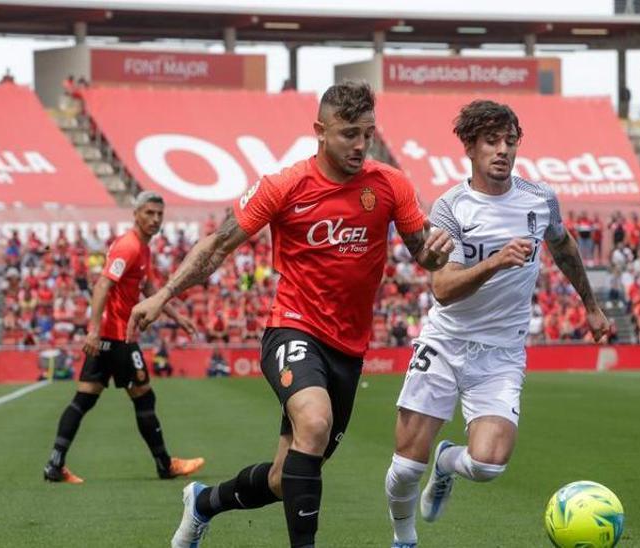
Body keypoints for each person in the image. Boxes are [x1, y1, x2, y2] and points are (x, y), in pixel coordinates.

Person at [131, 81, 454, 548]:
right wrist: (162, 296)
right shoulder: (284, 186)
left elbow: (425, 255)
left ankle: (202, 503)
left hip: (349, 348)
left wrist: (438, 254)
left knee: (287, 479)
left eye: (368, 133)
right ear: (320, 131)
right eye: (348, 134)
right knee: (316, 421)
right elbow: (218, 246)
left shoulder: (390, 185)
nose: (360, 145)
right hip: (293, 328)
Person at [383, 100, 611, 547]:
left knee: (487, 464)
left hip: (501, 353)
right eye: (491, 141)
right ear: (470, 147)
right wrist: (496, 261)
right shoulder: (450, 207)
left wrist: (591, 305)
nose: (503, 150)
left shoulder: (540, 199)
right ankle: (404, 537)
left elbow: (563, 248)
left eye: (510, 141)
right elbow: (443, 289)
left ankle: (448, 463)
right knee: (407, 466)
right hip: (446, 343)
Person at [42, 192, 204, 484]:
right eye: (150, 213)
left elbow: (152, 292)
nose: (155, 219)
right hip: (117, 336)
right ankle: (165, 465)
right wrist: (92, 330)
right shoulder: (128, 246)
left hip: (108, 336)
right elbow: (102, 285)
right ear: (136, 213)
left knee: (84, 399)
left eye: (159, 214)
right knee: (144, 397)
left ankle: (55, 464)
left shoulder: (144, 249)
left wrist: (178, 318)